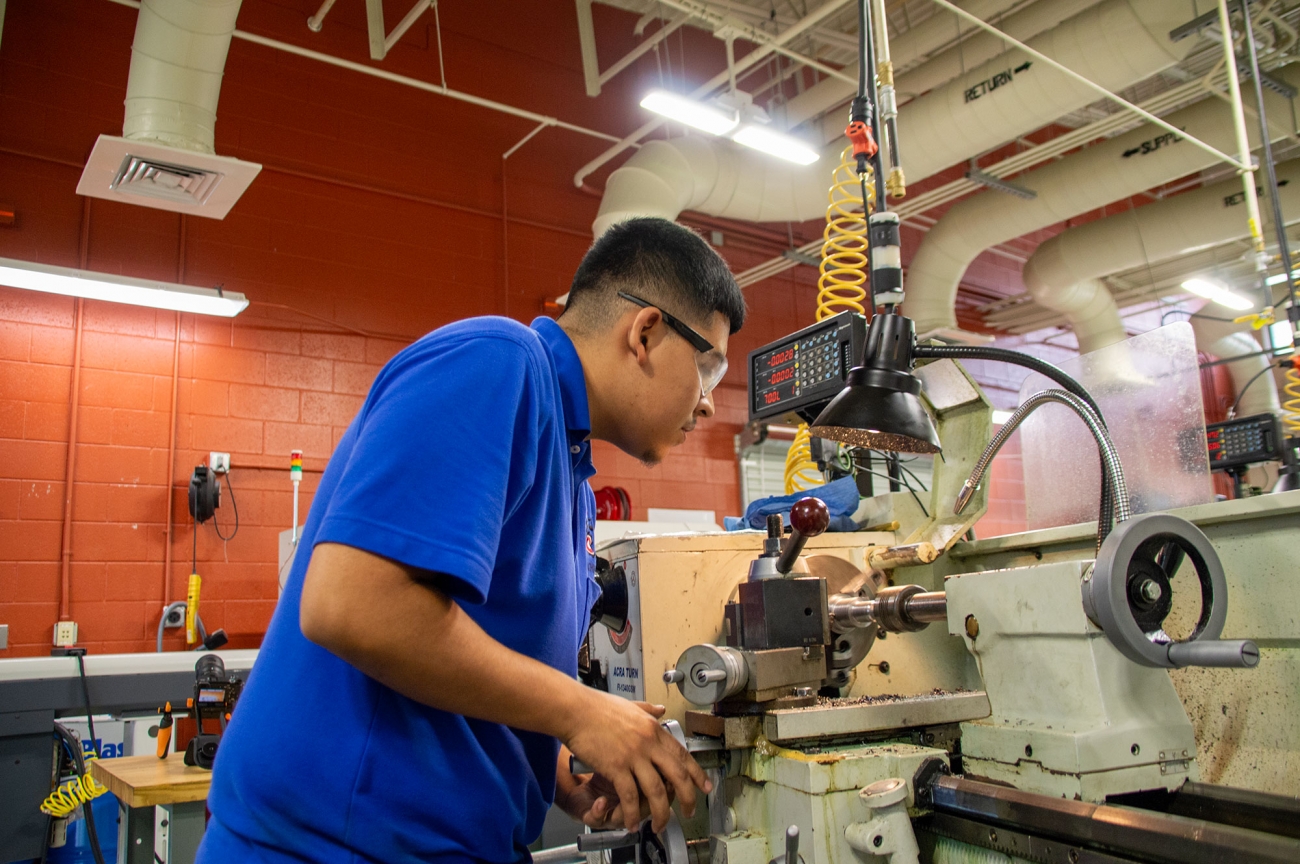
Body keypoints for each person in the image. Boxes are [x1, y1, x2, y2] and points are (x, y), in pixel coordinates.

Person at [197, 217, 747, 863]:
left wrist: (553, 763)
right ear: (646, 332)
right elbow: (351, 603)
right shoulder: (498, 362)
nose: (709, 402)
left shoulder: (568, 473)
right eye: (707, 366)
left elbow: (470, 661)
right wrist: (582, 713)